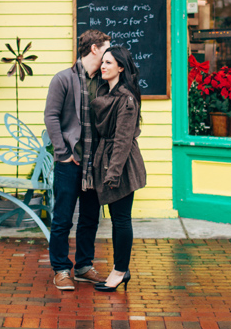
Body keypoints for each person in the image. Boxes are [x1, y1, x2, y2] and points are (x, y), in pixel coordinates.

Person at [44, 29, 111, 291]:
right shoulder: (63, 79)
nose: (110, 52)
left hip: (96, 163)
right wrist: (63, 153)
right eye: (107, 47)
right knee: (62, 218)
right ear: (94, 48)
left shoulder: (106, 82)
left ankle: (84, 266)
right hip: (69, 162)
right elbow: (51, 117)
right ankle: (61, 269)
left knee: (90, 218)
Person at [91, 46, 147, 292]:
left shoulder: (126, 99)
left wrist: (112, 174)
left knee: (121, 220)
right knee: (117, 220)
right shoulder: (107, 94)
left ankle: (120, 271)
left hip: (121, 165)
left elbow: (123, 140)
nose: (103, 66)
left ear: (121, 68)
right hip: (107, 161)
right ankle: (120, 268)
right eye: (102, 62)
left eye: (109, 63)